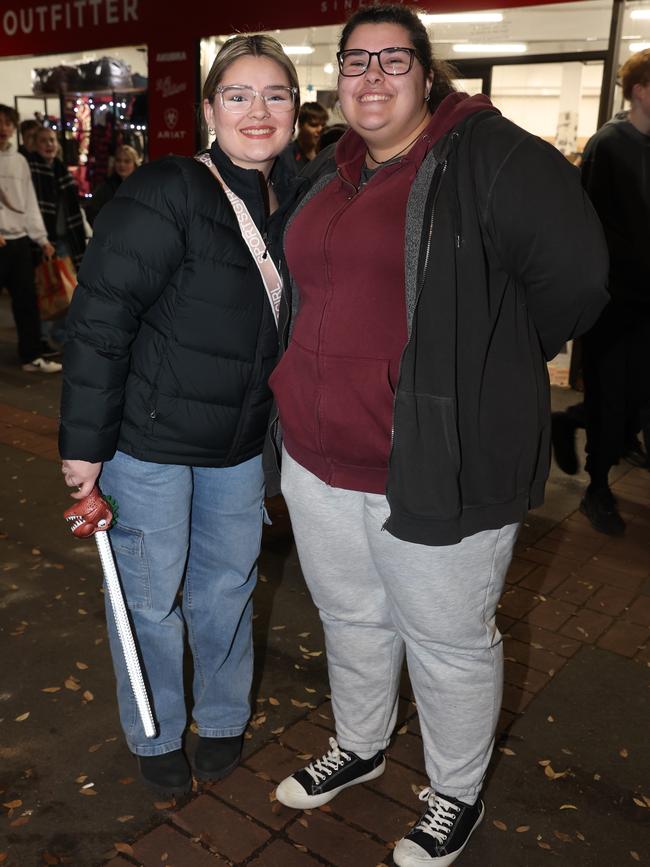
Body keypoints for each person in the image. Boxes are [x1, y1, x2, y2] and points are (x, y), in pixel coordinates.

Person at [268, 5, 608, 866]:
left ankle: (453, 792)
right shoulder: (330, 168)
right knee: (350, 617)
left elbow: (576, 282)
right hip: (317, 454)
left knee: (449, 641)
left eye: (394, 59)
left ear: (428, 72)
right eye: (355, 62)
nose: (372, 77)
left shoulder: (495, 157)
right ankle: (361, 741)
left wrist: (484, 372)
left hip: (431, 463)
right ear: (336, 78)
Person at [58, 35, 299, 796]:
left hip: (236, 445)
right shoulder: (171, 187)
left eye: (275, 95)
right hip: (150, 444)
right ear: (208, 109)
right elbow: (102, 317)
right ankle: (155, 728)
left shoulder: (296, 199)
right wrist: (83, 447)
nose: (257, 112)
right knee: (149, 597)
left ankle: (223, 716)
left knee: (228, 586)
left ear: (297, 108)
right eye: (238, 95)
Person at [570, 49, 650, 533]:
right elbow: (591, 227)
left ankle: (580, 425)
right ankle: (596, 488)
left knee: (636, 394)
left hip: (647, 303)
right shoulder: (608, 145)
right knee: (611, 397)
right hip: (616, 303)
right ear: (640, 90)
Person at [0, 104, 61, 373]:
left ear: (14, 128)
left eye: (7, 123)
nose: (3, 128)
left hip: (20, 241)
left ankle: (32, 356)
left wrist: (41, 238)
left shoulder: (19, 161)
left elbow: (29, 203)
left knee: (27, 302)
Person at [27, 126, 88, 271]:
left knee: (67, 286)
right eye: (43, 141)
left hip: (66, 238)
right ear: (35, 145)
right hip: (41, 239)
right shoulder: (31, 168)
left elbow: (73, 207)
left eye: (52, 140)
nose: (49, 144)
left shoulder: (62, 171)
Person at [84, 144, 140, 226]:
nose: (122, 165)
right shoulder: (106, 187)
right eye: (118, 160)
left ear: (134, 164)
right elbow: (91, 211)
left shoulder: (142, 187)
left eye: (127, 161)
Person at [280, 100, 329, 171]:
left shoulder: (327, 154)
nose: (320, 129)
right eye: (313, 125)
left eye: (323, 125)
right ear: (300, 125)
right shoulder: (286, 156)